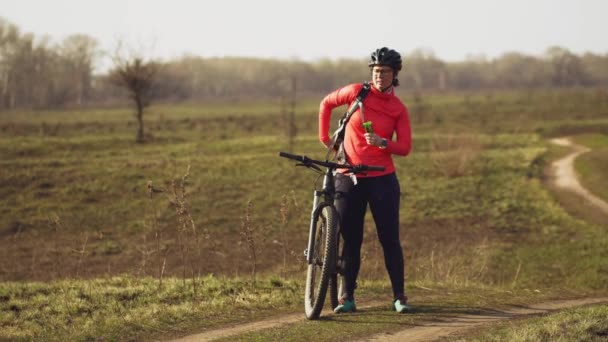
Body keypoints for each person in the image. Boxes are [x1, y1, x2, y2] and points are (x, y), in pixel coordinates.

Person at [318, 47, 412, 313]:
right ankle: (347, 297)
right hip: (348, 176)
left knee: (389, 239)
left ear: (395, 75)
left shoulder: (398, 109)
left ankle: (399, 297)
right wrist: (326, 141)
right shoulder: (357, 92)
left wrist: (384, 143)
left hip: (382, 180)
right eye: (376, 71)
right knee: (350, 239)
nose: (379, 75)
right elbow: (326, 103)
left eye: (385, 71)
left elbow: (405, 147)